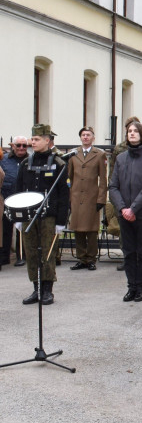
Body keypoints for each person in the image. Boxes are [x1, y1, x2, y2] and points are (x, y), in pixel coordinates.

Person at [15, 125, 70, 305]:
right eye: (32, 139)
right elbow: (19, 190)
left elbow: (64, 195)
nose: (33, 142)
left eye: (37, 139)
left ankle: (47, 290)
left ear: (47, 141)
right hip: (29, 216)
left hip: (49, 216)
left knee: (47, 253)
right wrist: (17, 217)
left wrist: (61, 221)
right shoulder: (25, 163)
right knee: (31, 252)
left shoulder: (59, 164)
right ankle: (36, 288)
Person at [108, 120, 142, 302]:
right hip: (124, 213)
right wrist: (123, 208)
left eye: (135, 131)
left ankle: (141, 287)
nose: (131, 133)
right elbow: (113, 186)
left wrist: (133, 209)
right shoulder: (121, 158)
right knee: (128, 251)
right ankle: (131, 286)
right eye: (129, 131)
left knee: (140, 252)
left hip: (141, 213)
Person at [67, 126, 107, 271]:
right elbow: (69, 177)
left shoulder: (99, 154)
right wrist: (69, 196)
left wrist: (101, 199)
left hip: (91, 197)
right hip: (76, 197)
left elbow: (103, 179)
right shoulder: (73, 154)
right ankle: (81, 258)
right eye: (83, 135)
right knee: (77, 229)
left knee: (91, 230)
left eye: (88, 135)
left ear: (93, 138)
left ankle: (91, 259)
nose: (85, 137)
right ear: (80, 137)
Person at [1, 135, 29, 268]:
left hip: (24, 199)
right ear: (13, 146)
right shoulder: (4, 160)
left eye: (24, 145)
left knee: (21, 229)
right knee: (5, 229)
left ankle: (21, 256)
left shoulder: (30, 159)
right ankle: (4, 256)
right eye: (18, 145)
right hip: (6, 197)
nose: (21, 148)